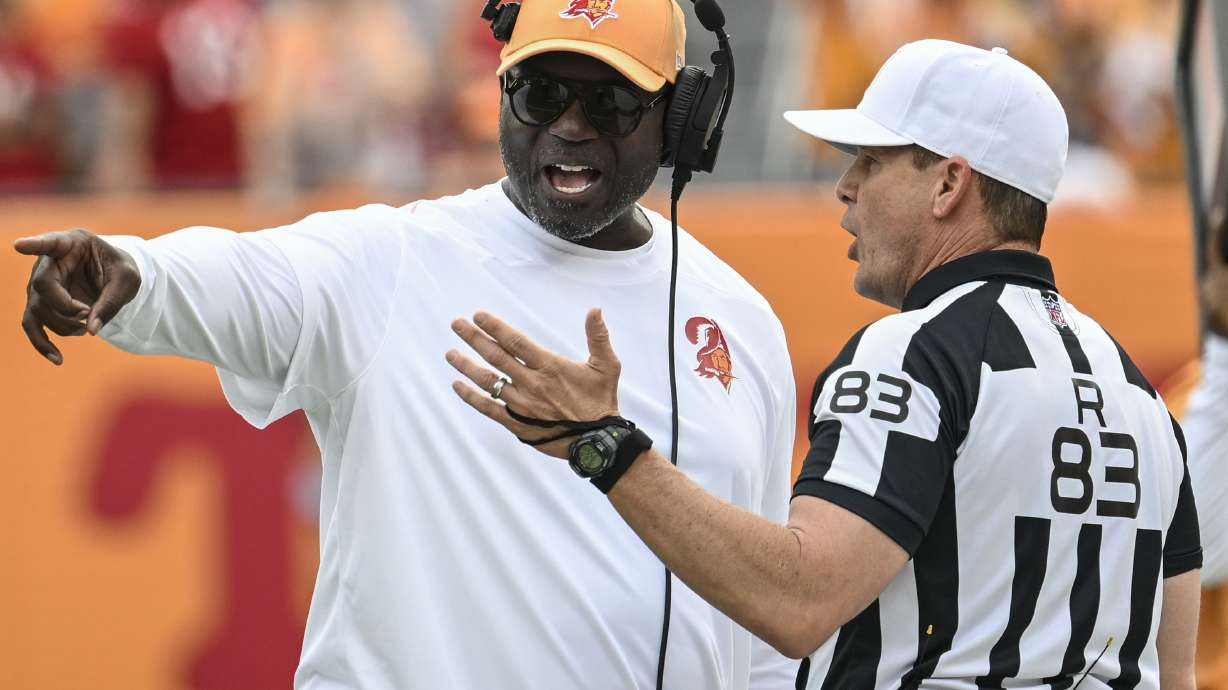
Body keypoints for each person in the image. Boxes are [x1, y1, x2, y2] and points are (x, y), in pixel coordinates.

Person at [12, 1, 796, 689]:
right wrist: (131, 269)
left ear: (683, 120)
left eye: (611, 102)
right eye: (540, 92)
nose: (568, 124)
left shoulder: (741, 320)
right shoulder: (389, 258)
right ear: (499, 97)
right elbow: (241, 277)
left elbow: (759, 610)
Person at [446, 39, 1202, 689]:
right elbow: (1175, 671)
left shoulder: (913, 351)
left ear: (949, 183)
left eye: (871, 162)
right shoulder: (1139, 395)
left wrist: (606, 443)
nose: (844, 189)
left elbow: (798, 602)